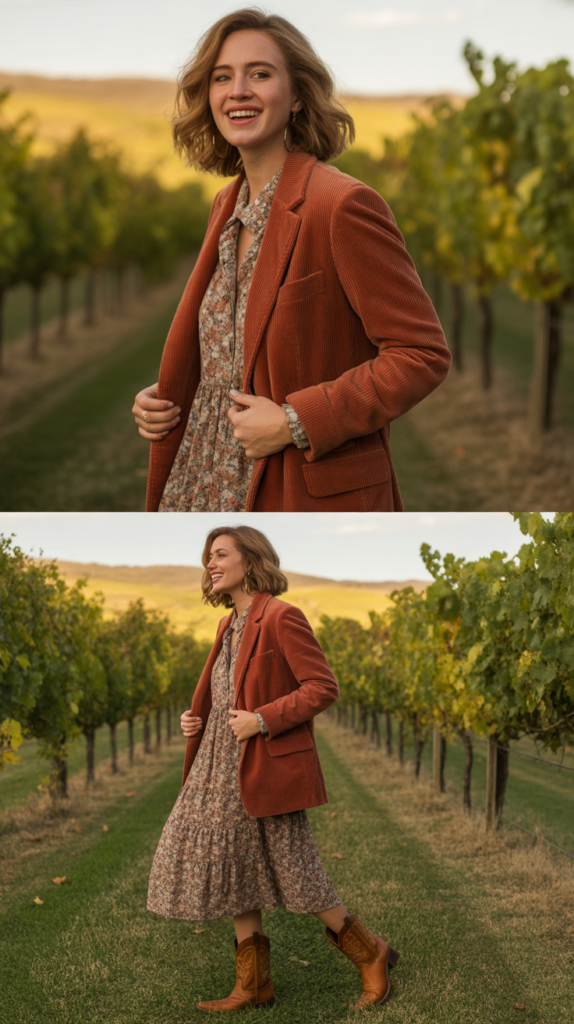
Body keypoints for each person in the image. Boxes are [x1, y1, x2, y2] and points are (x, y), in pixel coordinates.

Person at [132, 8, 451, 513]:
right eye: (222, 77)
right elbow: (241, 352)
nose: (238, 90)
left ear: (298, 95)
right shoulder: (226, 205)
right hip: (201, 481)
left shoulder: (341, 205)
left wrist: (293, 421)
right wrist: (173, 396)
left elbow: (421, 355)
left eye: (260, 73)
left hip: (295, 490)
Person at [147, 525, 400, 1011]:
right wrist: (195, 719)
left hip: (263, 761)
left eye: (220, 554)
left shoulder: (282, 617)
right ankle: (254, 984)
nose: (210, 564)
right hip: (219, 765)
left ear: (251, 560)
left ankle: (372, 954)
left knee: (297, 869)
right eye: (207, 557)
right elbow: (227, 691)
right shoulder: (229, 624)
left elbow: (322, 687)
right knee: (235, 866)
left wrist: (263, 719)